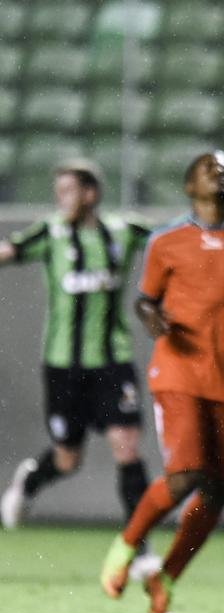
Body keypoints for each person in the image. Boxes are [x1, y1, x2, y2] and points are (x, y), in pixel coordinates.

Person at [99, 150, 224, 613]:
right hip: (179, 373)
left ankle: (164, 577)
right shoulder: (166, 241)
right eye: (207, 166)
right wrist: (153, 318)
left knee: (219, 490)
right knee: (186, 474)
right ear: (189, 186)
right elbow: (144, 300)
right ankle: (125, 548)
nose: (218, 169)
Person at [0, 160, 157, 572]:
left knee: (127, 446)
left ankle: (139, 548)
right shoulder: (50, 232)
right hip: (63, 366)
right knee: (69, 459)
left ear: (91, 193)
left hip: (112, 362)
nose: (60, 199)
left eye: (68, 190)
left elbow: (180, 236)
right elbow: (8, 250)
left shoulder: (123, 230)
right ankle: (30, 481)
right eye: (58, 191)